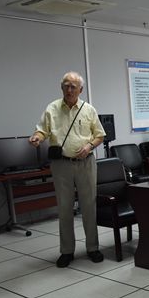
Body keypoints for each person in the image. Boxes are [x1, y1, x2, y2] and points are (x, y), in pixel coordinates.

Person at [28, 71, 106, 268]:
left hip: (86, 163)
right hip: (61, 164)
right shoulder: (52, 108)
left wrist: (89, 146)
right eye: (66, 85)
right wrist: (37, 137)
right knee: (64, 207)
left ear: (81, 89)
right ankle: (67, 251)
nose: (69, 89)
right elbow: (42, 130)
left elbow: (99, 135)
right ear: (61, 87)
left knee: (89, 206)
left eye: (73, 86)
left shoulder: (88, 110)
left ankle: (93, 247)